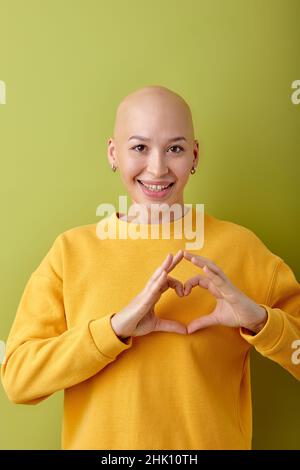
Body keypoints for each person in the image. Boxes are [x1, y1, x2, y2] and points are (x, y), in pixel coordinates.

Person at [1, 85, 300, 450]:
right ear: (113, 153)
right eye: (139, 147)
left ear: (194, 155)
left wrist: (260, 322)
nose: (157, 167)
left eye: (174, 148)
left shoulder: (241, 248)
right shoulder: (70, 252)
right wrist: (113, 330)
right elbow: (18, 380)